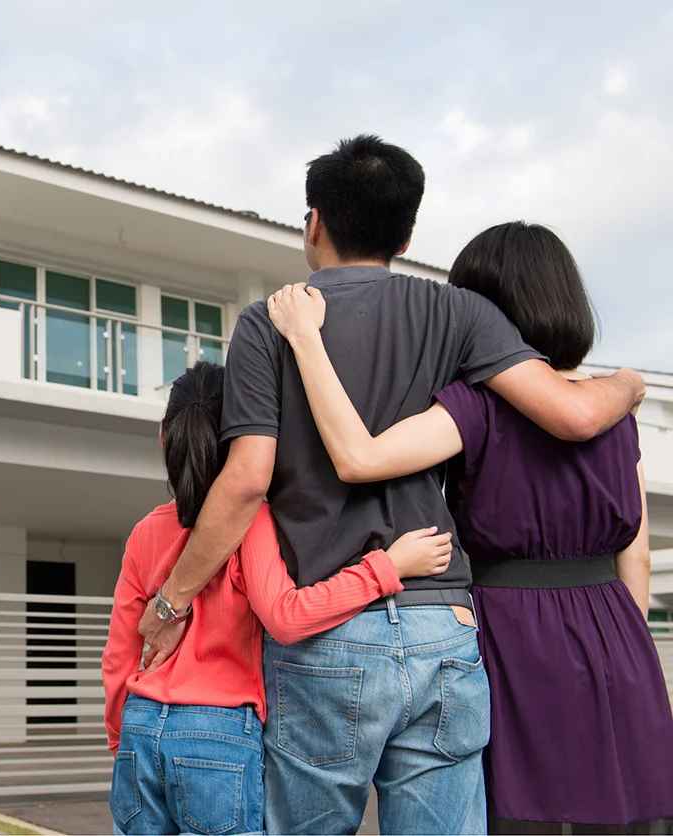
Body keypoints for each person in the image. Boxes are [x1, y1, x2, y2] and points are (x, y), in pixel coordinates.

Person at [136, 135, 646, 835]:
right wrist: (630, 381)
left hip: (327, 633)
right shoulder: (461, 315)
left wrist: (170, 602)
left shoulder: (269, 323)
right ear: (406, 233)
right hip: (443, 624)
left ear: (314, 222)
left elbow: (249, 478)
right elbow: (572, 414)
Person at [265, 221, 673, 832]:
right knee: (619, 811)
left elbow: (361, 457)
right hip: (616, 634)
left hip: (511, 630)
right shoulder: (617, 410)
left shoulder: (476, 405)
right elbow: (634, 552)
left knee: (511, 811)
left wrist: (306, 343)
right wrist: (619, 646)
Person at [102, 361, 456, 835]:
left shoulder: (147, 531)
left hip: (140, 727)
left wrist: (122, 739)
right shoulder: (253, 522)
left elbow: (119, 653)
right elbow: (287, 616)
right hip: (218, 733)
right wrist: (386, 568)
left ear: (164, 437)